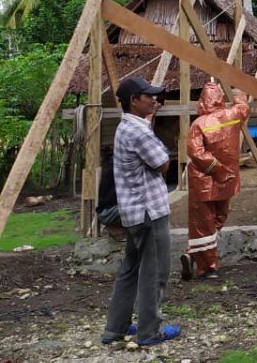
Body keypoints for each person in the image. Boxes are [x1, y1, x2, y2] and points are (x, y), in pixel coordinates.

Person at [101, 76, 180, 347]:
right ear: (134, 100)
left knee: (131, 268)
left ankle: (116, 328)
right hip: (150, 212)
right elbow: (163, 164)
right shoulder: (139, 131)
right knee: (155, 271)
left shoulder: (127, 127)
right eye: (149, 96)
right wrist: (162, 150)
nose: (154, 100)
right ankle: (149, 331)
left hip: (133, 212)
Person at [181, 80, 250, 280]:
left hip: (203, 182)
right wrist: (239, 93)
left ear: (202, 101)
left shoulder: (198, 124)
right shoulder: (232, 116)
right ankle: (195, 256)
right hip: (227, 181)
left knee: (203, 223)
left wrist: (216, 170)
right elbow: (243, 107)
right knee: (218, 219)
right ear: (220, 99)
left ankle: (205, 265)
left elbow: (196, 152)